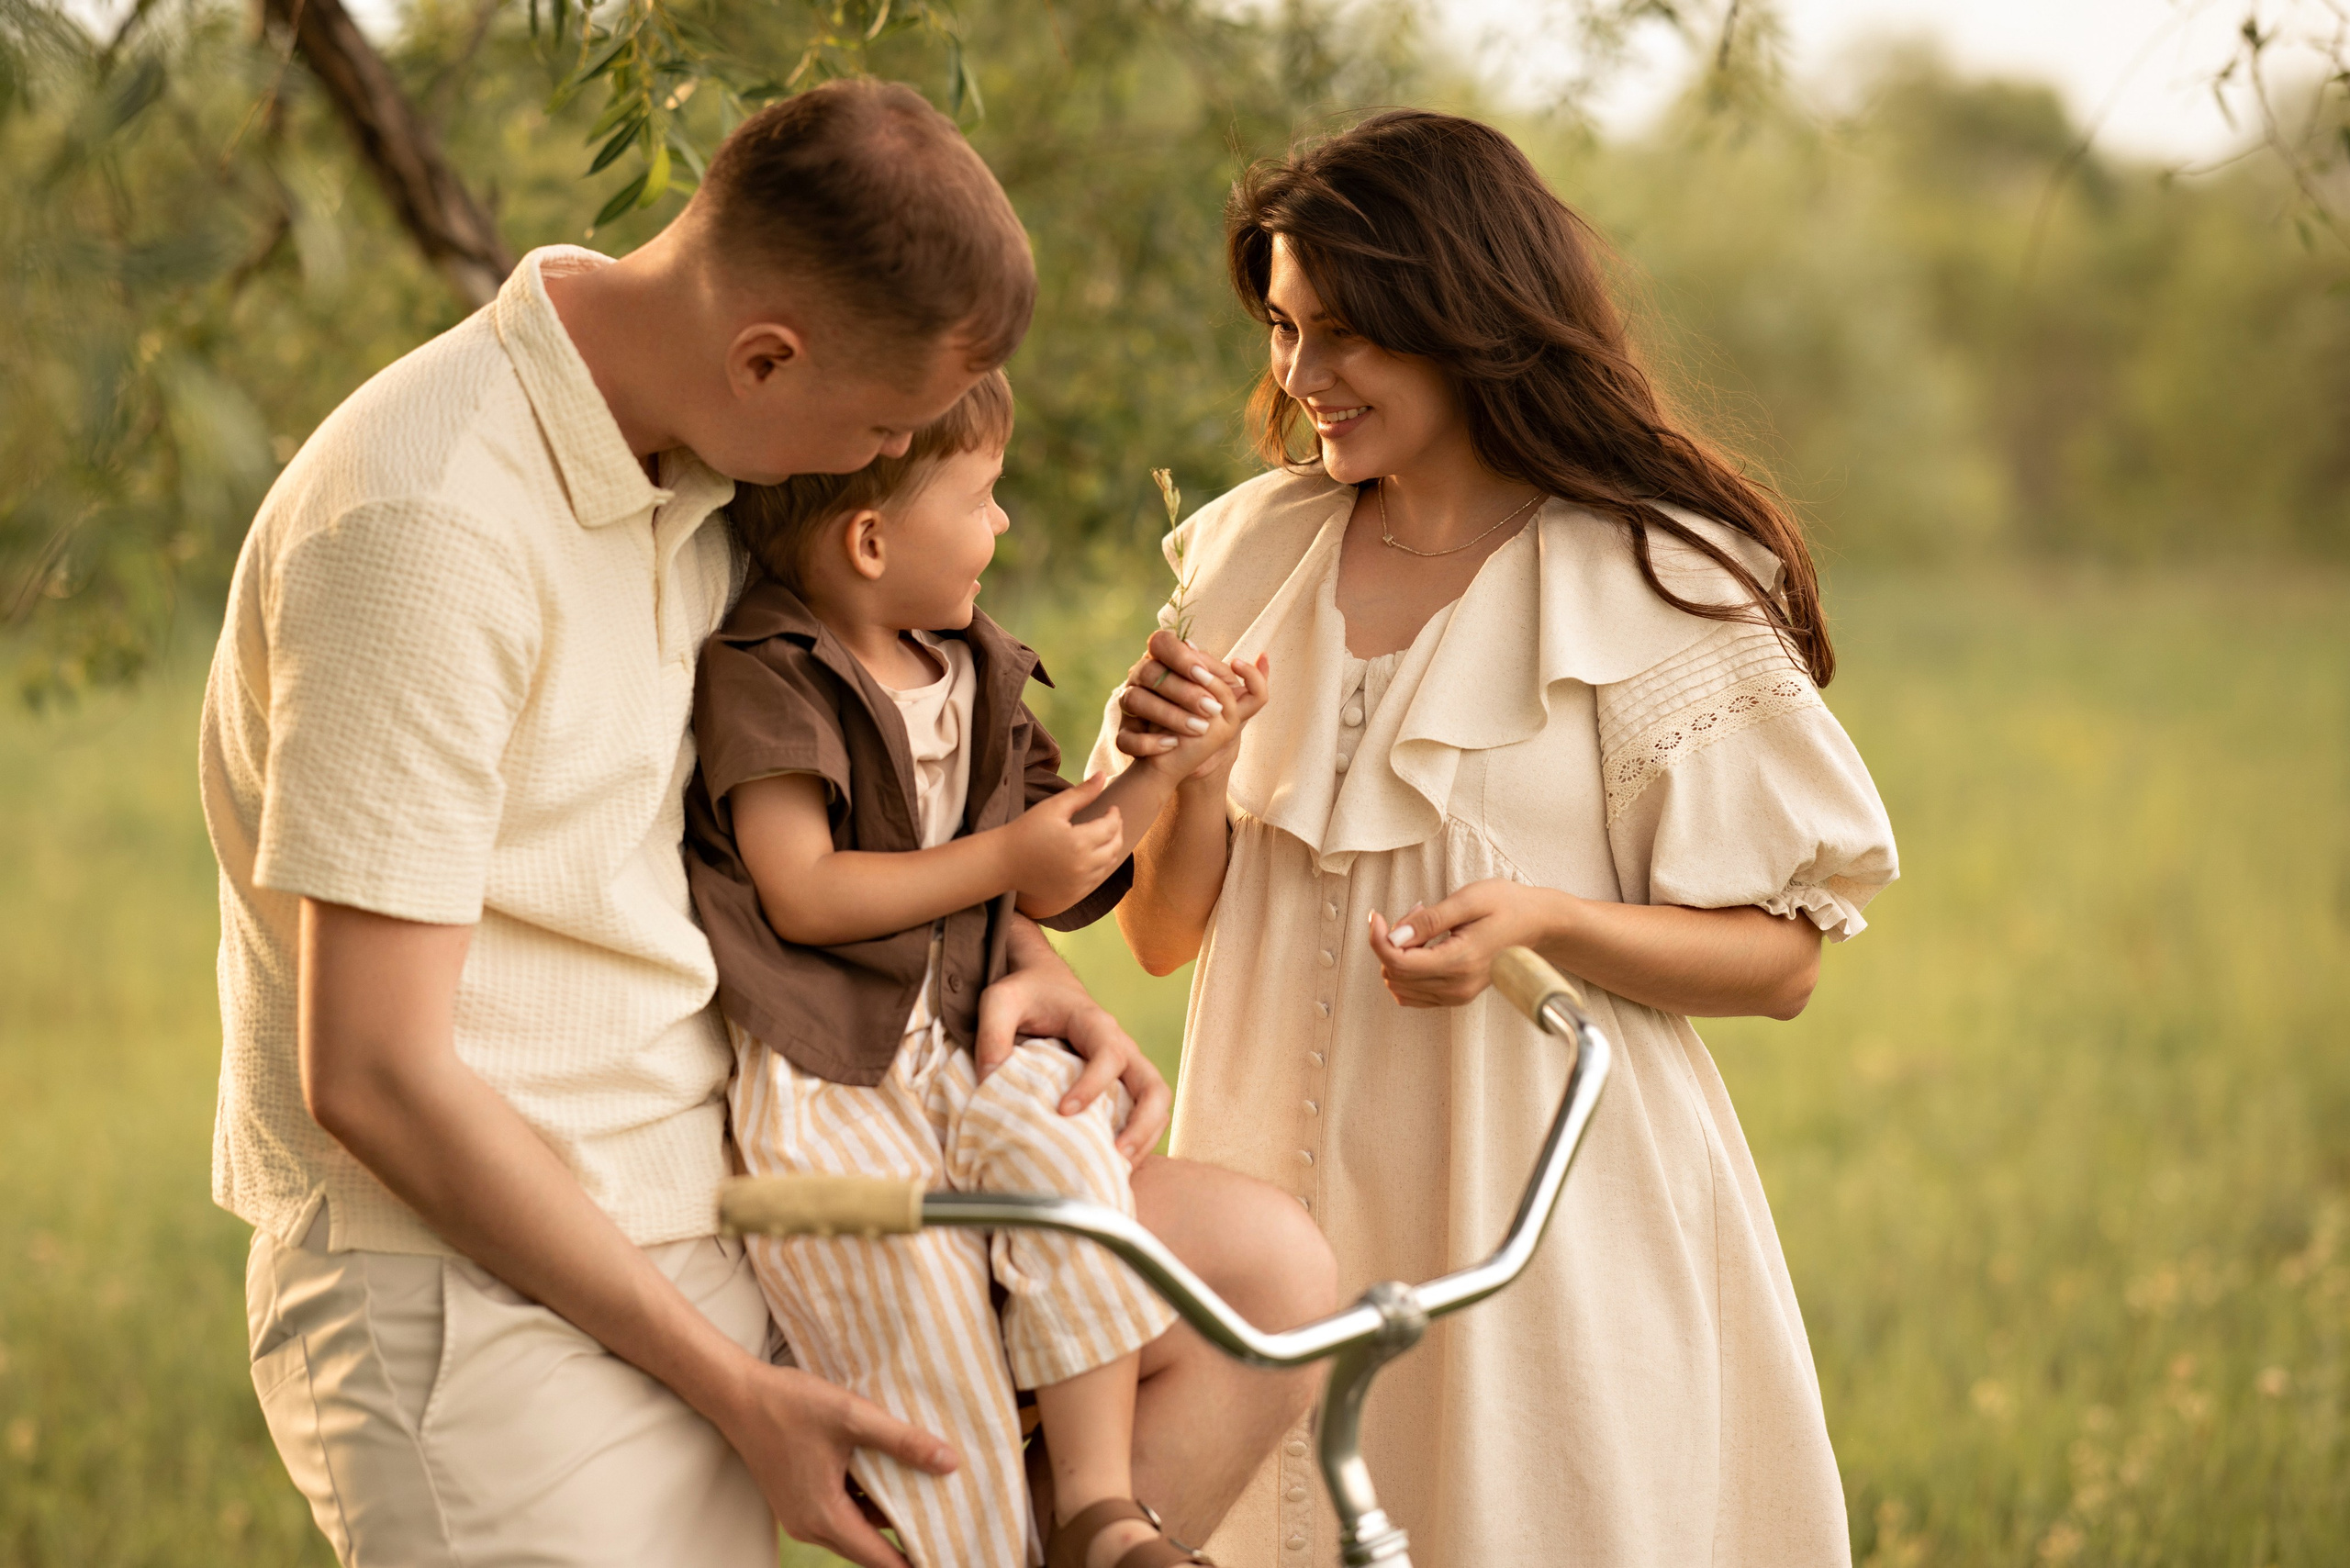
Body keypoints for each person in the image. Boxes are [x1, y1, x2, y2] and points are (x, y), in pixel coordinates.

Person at [200, 78, 1329, 1568]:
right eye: (873, 426)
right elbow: (375, 1072)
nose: (864, 473)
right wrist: (731, 1388)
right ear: (767, 356)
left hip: (737, 1181)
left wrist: (1017, 970)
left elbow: (819, 805)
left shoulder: (698, 457)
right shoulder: (426, 528)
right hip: (483, 1296)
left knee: (1258, 1279)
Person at [1099, 110, 1901, 1567]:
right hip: (1264, 1219)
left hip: (1538, 1221)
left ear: (1461, 318)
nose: (1302, 378)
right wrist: (1195, 781)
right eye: (1283, 329)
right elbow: (1162, 938)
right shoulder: (1250, 553)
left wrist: (1546, 923)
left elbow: (1784, 962)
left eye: (1347, 335)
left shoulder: (1649, 576)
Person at [683, 367, 1270, 1568]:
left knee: (1070, 1159)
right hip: (833, 1076)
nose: (1000, 526)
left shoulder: (973, 667)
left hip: (964, 1045)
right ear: (868, 537)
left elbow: (1053, 876)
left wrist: (1170, 765)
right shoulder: (772, 669)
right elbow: (802, 891)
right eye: (983, 498)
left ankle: (1104, 1511)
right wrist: (998, 852)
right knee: (927, 1326)